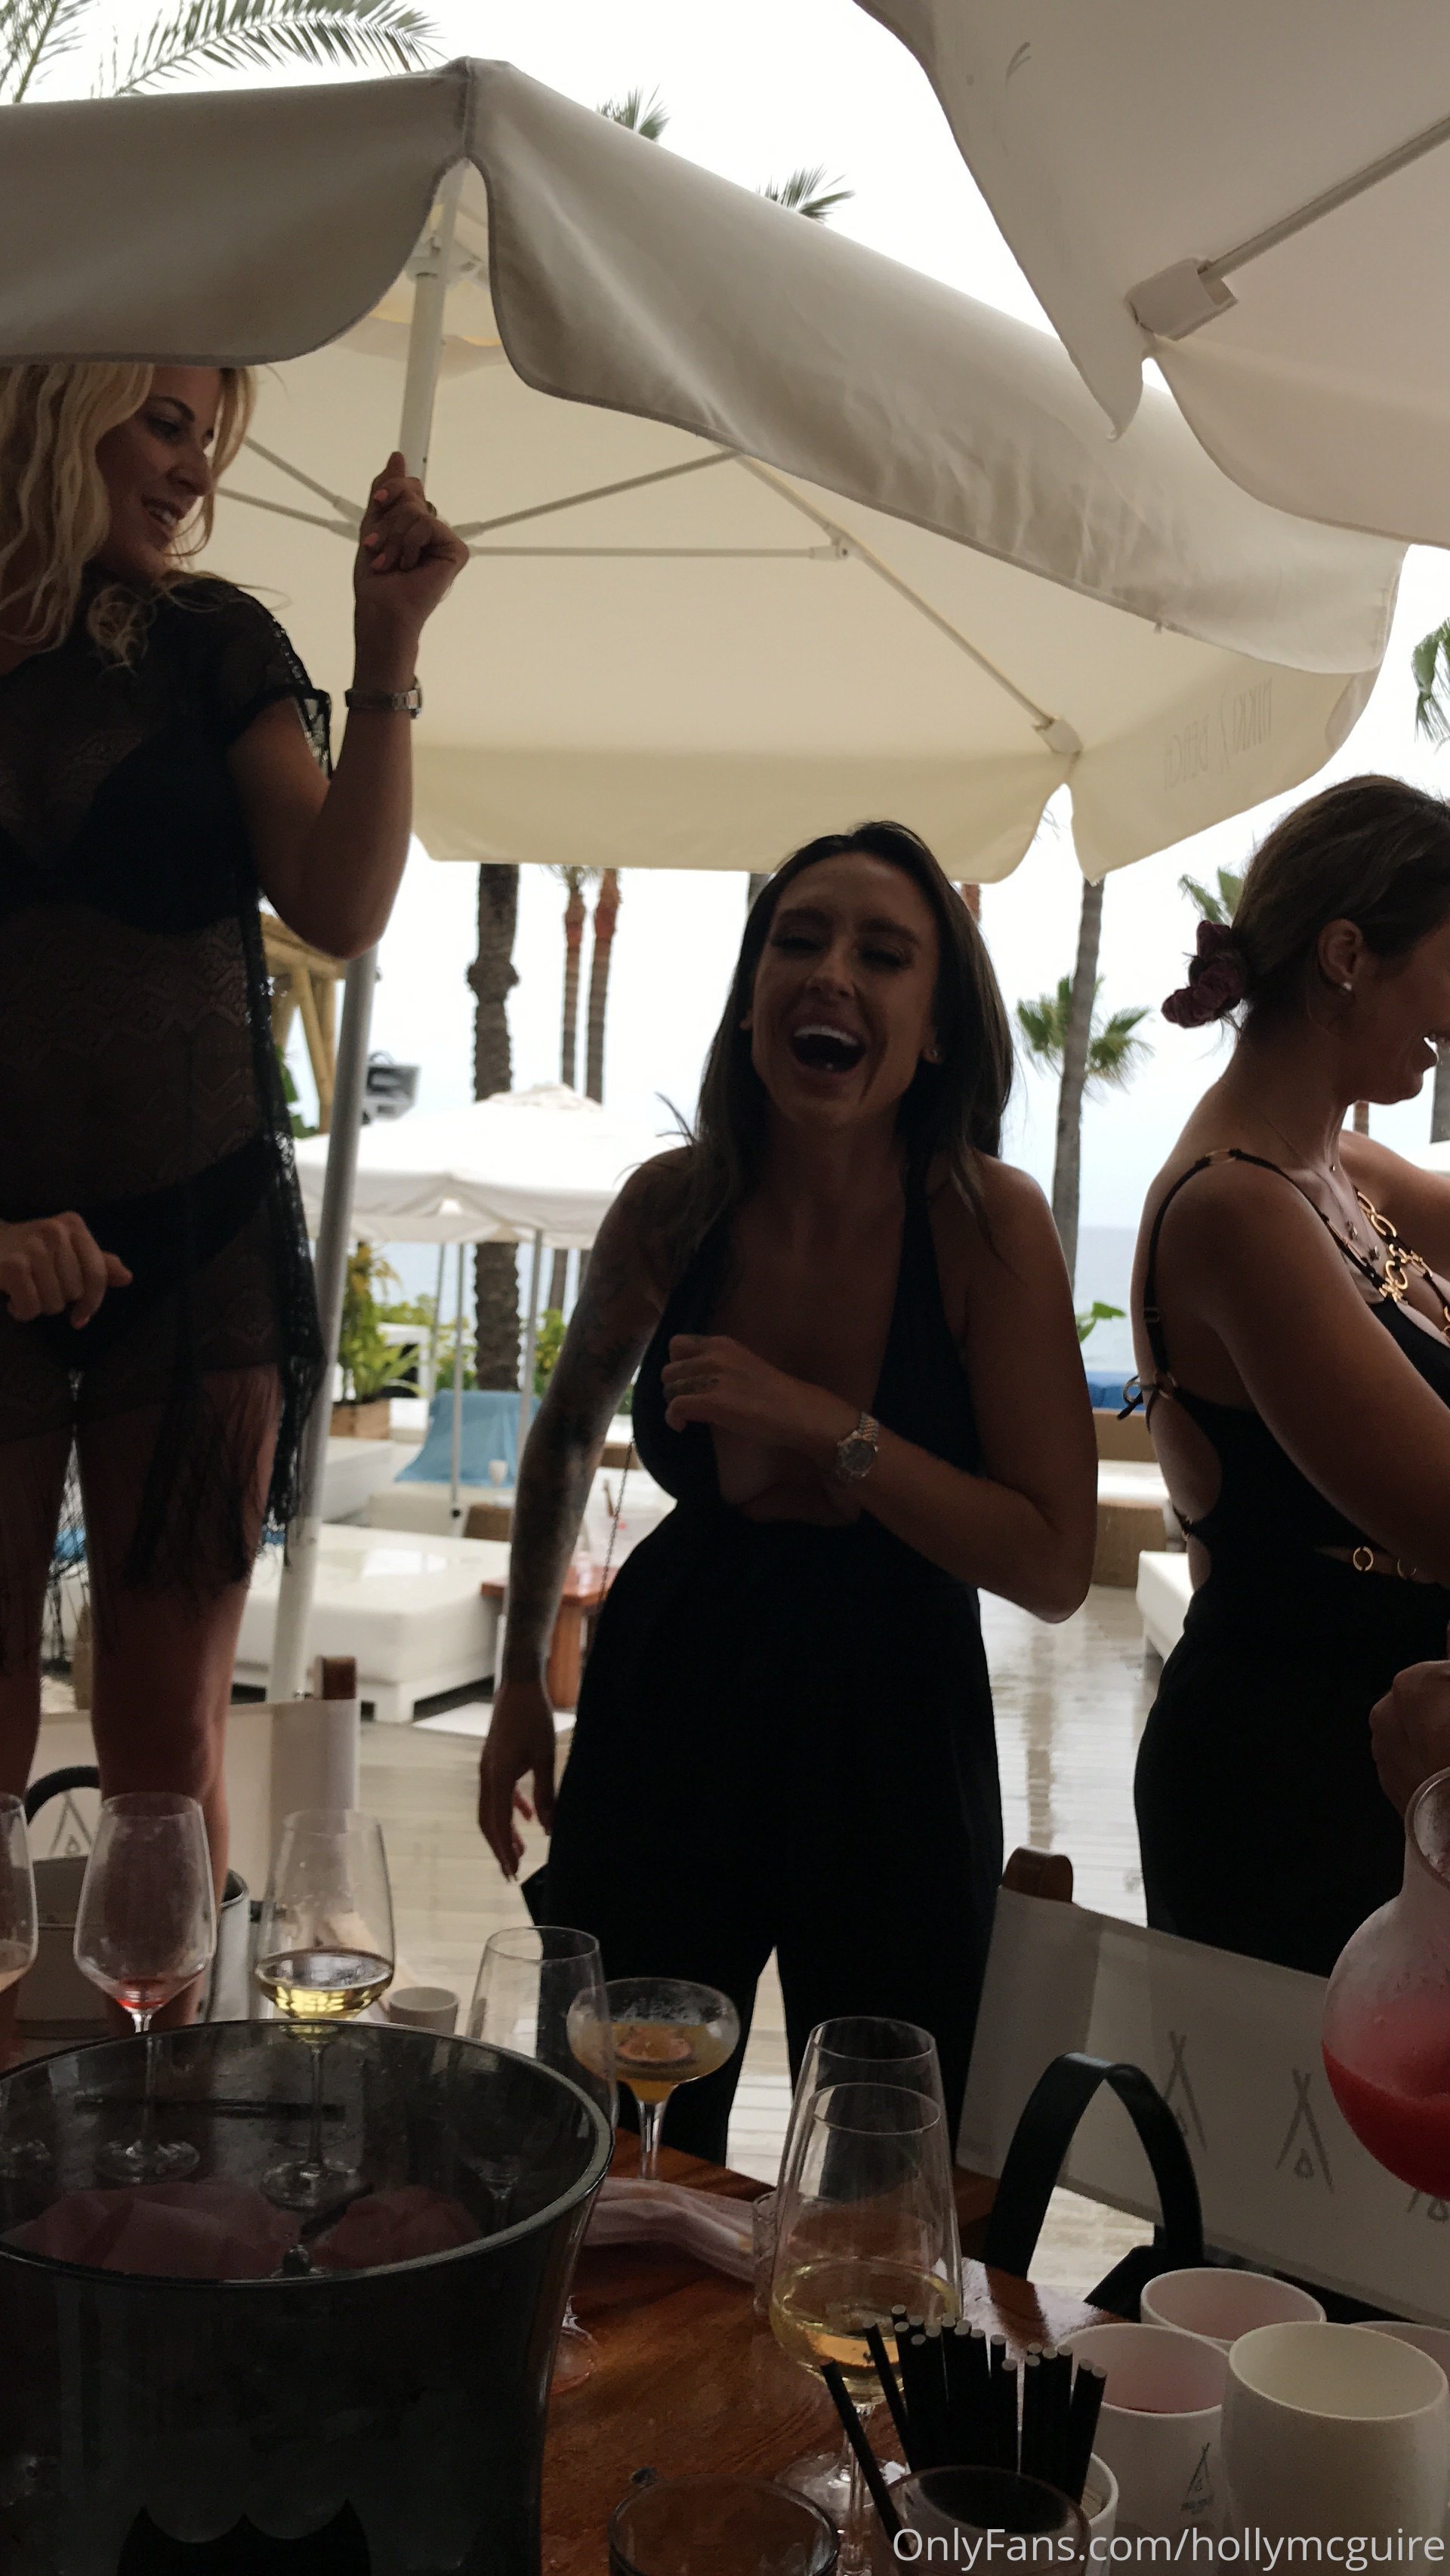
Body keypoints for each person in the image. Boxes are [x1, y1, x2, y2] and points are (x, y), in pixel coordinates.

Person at [478, 823, 1096, 2155]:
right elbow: (566, 1430)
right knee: (614, 2125)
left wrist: (823, 1427)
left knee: (887, 2144)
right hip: (675, 1684)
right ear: (752, 996)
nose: (831, 973)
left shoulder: (986, 1225)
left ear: (937, 1029)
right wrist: (521, 1682)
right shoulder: (673, 1207)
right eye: (798, 939)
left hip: (896, 1714)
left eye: (885, 954)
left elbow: (1053, 1564)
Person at [0, 362, 467, 1959]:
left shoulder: (213, 644)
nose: (196, 472)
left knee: (165, 1755)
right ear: (56, 401)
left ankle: (159, 2094)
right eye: (165, 422)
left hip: (198, 1263)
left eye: (208, 436)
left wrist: (387, 652)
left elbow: (338, 903)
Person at [1131, 774, 1450, 1977]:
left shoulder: (1344, 1167)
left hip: (1380, 1764)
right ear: (1348, 956)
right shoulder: (1238, 1210)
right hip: (1294, 1787)